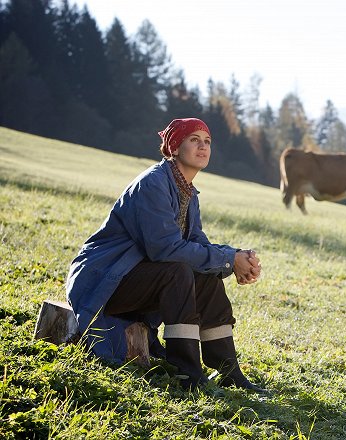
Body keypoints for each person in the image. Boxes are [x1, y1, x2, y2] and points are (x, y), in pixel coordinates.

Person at [66, 117, 266, 392]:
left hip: (138, 279)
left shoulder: (187, 192)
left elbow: (198, 244)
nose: (203, 146)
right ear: (174, 146)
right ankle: (187, 373)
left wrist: (234, 260)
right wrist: (230, 259)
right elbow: (165, 249)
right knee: (178, 271)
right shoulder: (153, 184)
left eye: (207, 141)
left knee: (206, 277)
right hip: (106, 281)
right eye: (194, 140)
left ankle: (230, 370)